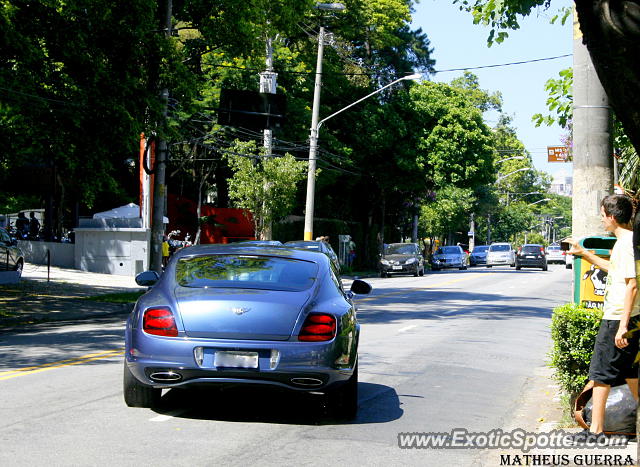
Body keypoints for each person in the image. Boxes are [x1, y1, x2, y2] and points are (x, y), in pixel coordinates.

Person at [566, 194, 639, 441]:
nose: (602, 221)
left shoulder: (627, 243)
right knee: (630, 373)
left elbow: (632, 285)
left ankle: (596, 431)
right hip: (627, 317)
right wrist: (584, 253)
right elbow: (616, 271)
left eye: (602, 216)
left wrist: (622, 325)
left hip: (619, 317)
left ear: (611, 216)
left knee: (600, 373)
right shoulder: (626, 241)